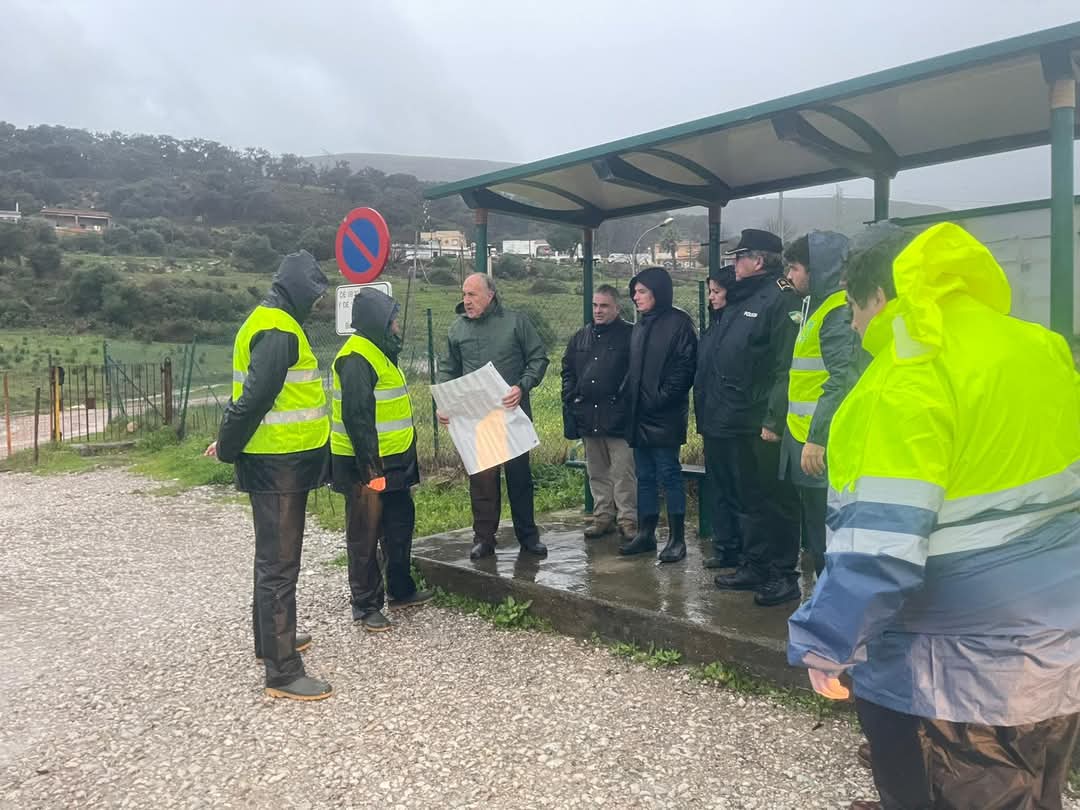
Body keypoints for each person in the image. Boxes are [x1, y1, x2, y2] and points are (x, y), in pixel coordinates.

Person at [788, 223, 1080, 810]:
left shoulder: (903, 380)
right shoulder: (1041, 349)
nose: (850, 321)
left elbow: (879, 548)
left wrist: (825, 642)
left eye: (850, 302)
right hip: (1060, 653)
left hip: (951, 678)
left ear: (879, 297)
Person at [205, 250, 333, 701]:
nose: (316, 304)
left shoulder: (268, 320)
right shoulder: (278, 331)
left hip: (276, 462)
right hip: (278, 465)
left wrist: (229, 443)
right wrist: (227, 447)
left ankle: (270, 640)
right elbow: (253, 400)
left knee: (270, 560)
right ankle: (283, 671)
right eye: (313, 296)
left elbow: (251, 401)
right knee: (280, 566)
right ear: (296, 291)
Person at [707, 229, 803, 607]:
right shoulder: (742, 299)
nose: (734, 263)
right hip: (733, 418)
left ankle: (783, 575)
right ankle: (755, 564)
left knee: (775, 500)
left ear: (758, 260)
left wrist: (774, 419)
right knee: (748, 498)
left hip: (761, 422)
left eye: (739, 256)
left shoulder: (780, 300)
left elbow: (785, 367)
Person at [330, 289, 433, 633]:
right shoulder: (357, 358)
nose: (397, 325)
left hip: (395, 461)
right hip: (367, 467)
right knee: (365, 536)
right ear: (378, 321)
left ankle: (400, 590)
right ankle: (365, 605)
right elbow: (357, 417)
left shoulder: (380, 352)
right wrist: (370, 470)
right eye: (392, 319)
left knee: (399, 526)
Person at [437, 273, 550, 561]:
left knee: (519, 479)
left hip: (511, 414)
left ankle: (529, 537)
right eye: (464, 294)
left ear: (490, 295)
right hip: (476, 420)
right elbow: (448, 370)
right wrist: (444, 404)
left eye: (473, 294)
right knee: (482, 482)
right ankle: (484, 539)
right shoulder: (457, 329)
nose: (466, 300)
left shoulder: (515, 322)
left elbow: (538, 358)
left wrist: (522, 386)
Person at [779, 231, 861, 576]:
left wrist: (818, 437)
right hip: (802, 436)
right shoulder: (815, 307)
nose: (790, 276)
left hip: (819, 444)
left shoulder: (836, 313)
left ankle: (832, 605)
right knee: (815, 531)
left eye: (795, 268)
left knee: (826, 533)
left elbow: (841, 379)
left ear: (818, 270)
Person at [619, 266, 697, 563]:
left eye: (642, 292)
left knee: (670, 475)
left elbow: (684, 370)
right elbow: (633, 368)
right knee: (645, 477)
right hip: (639, 415)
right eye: (634, 292)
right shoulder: (640, 325)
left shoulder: (680, 324)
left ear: (658, 293)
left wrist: (660, 399)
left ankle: (677, 539)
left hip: (664, 416)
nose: (635, 298)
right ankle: (646, 533)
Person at [561, 284, 637, 539]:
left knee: (623, 473)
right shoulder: (580, 337)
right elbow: (567, 369)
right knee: (597, 472)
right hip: (588, 415)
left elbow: (636, 374)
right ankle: (603, 517)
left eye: (604, 305)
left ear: (617, 307)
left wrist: (624, 402)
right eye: (595, 305)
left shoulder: (631, 335)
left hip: (619, 418)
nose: (598, 310)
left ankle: (629, 522)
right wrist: (570, 397)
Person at [693, 264, 742, 569]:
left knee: (737, 488)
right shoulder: (715, 326)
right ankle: (725, 547)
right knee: (719, 487)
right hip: (711, 419)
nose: (711, 297)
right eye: (710, 291)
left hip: (732, 420)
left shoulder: (737, 325)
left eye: (717, 291)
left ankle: (742, 549)